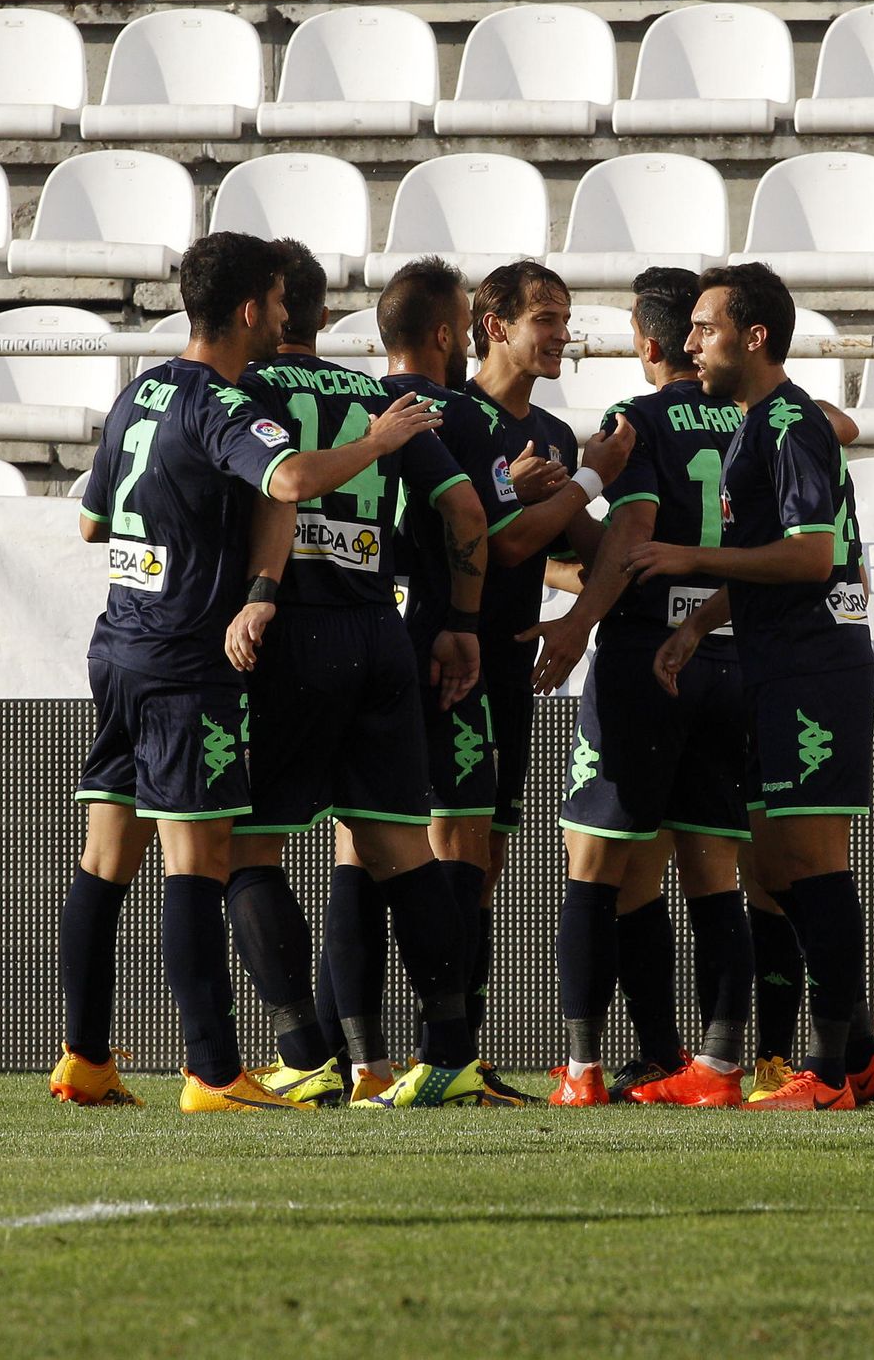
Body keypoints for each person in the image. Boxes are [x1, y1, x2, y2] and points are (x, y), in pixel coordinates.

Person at [50, 231, 444, 1113]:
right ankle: (214, 1070)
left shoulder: (140, 391)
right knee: (200, 859)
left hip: (119, 647)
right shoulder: (224, 402)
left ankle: (84, 1055)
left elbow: (89, 526)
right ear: (246, 309)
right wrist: (379, 439)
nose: (283, 315)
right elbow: (294, 473)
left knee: (106, 857)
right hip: (190, 663)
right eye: (274, 301)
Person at [224, 240, 516, 1109]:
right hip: (380, 633)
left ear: (276, 309)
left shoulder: (245, 393)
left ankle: (305, 1049)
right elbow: (464, 507)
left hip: (287, 633)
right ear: (323, 313)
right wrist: (460, 623)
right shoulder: (374, 395)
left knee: (245, 849)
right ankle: (452, 1049)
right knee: (399, 850)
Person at [631, 262, 874, 1110]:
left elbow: (812, 557)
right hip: (778, 663)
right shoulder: (756, 425)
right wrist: (699, 622)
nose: (689, 342)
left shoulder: (790, 424)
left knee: (811, 862)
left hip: (815, 667)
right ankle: (859, 1058)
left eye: (705, 327)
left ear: (754, 336)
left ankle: (829, 1074)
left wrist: (689, 558)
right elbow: (772, 564)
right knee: (783, 864)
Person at [522, 266, 755, 1107]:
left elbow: (633, 534)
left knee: (593, 864)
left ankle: (581, 1067)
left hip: (641, 657)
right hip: (728, 654)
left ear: (649, 342)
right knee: (707, 870)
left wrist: (577, 621)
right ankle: (710, 1064)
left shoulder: (640, 419)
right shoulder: (756, 413)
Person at [457, 262, 634, 1085]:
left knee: (486, 858)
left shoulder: (558, 437)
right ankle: (412, 1052)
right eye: (547, 319)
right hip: (442, 661)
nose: (564, 334)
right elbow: (499, 541)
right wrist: (586, 481)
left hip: (509, 670)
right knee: (437, 856)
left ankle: (464, 1051)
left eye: (565, 319)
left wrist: (589, 606)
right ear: (493, 325)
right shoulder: (452, 417)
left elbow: (570, 551)